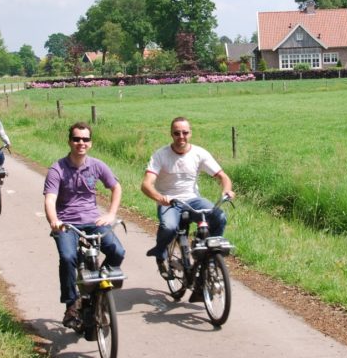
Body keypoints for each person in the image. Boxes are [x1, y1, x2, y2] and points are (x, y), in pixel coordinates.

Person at [44, 122, 125, 328]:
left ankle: (98, 286)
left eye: (85, 139)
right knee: (68, 257)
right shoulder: (57, 168)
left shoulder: (97, 165)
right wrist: (55, 220)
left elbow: (116, 187)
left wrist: (111, 213)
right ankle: (72, 304)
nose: (81, 143)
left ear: (90, 142)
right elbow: (50, 199)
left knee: (117, 251)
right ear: (70, 141)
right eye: (77, 139)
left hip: (93, 220)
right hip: (67, 224)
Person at [141, 116, 235, 280]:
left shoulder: (199, 153)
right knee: (169, 227)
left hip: (192, 200)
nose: (181, 137)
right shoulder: (160, 155)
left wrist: (227, 191)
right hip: (170, 202)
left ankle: (209, 255)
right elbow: (146, 184)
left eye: (185, 133)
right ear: (171, 134)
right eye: (177, 133)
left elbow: (223, 177)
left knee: (218, 216)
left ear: (190, 133)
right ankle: (160, 252)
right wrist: (160, 198)